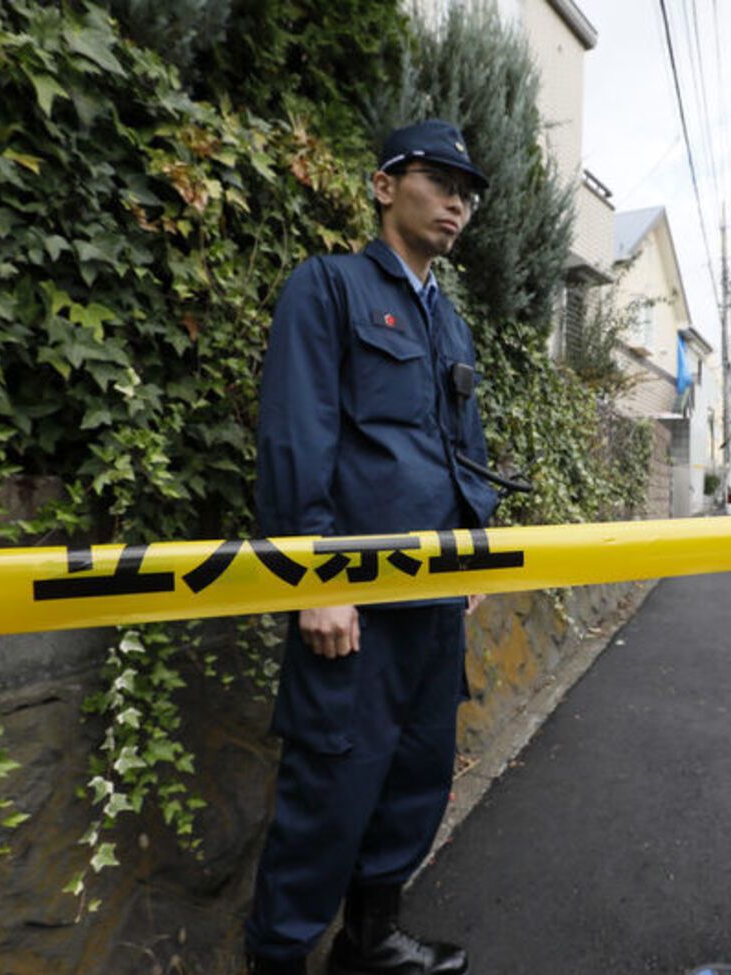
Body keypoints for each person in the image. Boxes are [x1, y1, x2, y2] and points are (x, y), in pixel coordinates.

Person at [244, 120, 499, 975]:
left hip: (433, 602)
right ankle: (278, 959)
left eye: (468, 190)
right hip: (353, 604)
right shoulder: (329, 288)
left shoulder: (451, 322)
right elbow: (294, 440)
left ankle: (370, 940)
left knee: (414, 778)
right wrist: (314, 578)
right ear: (386, 185)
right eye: (440, 179)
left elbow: (467, 451)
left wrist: (474, 553)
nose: (458, 200)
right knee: (329, 791)